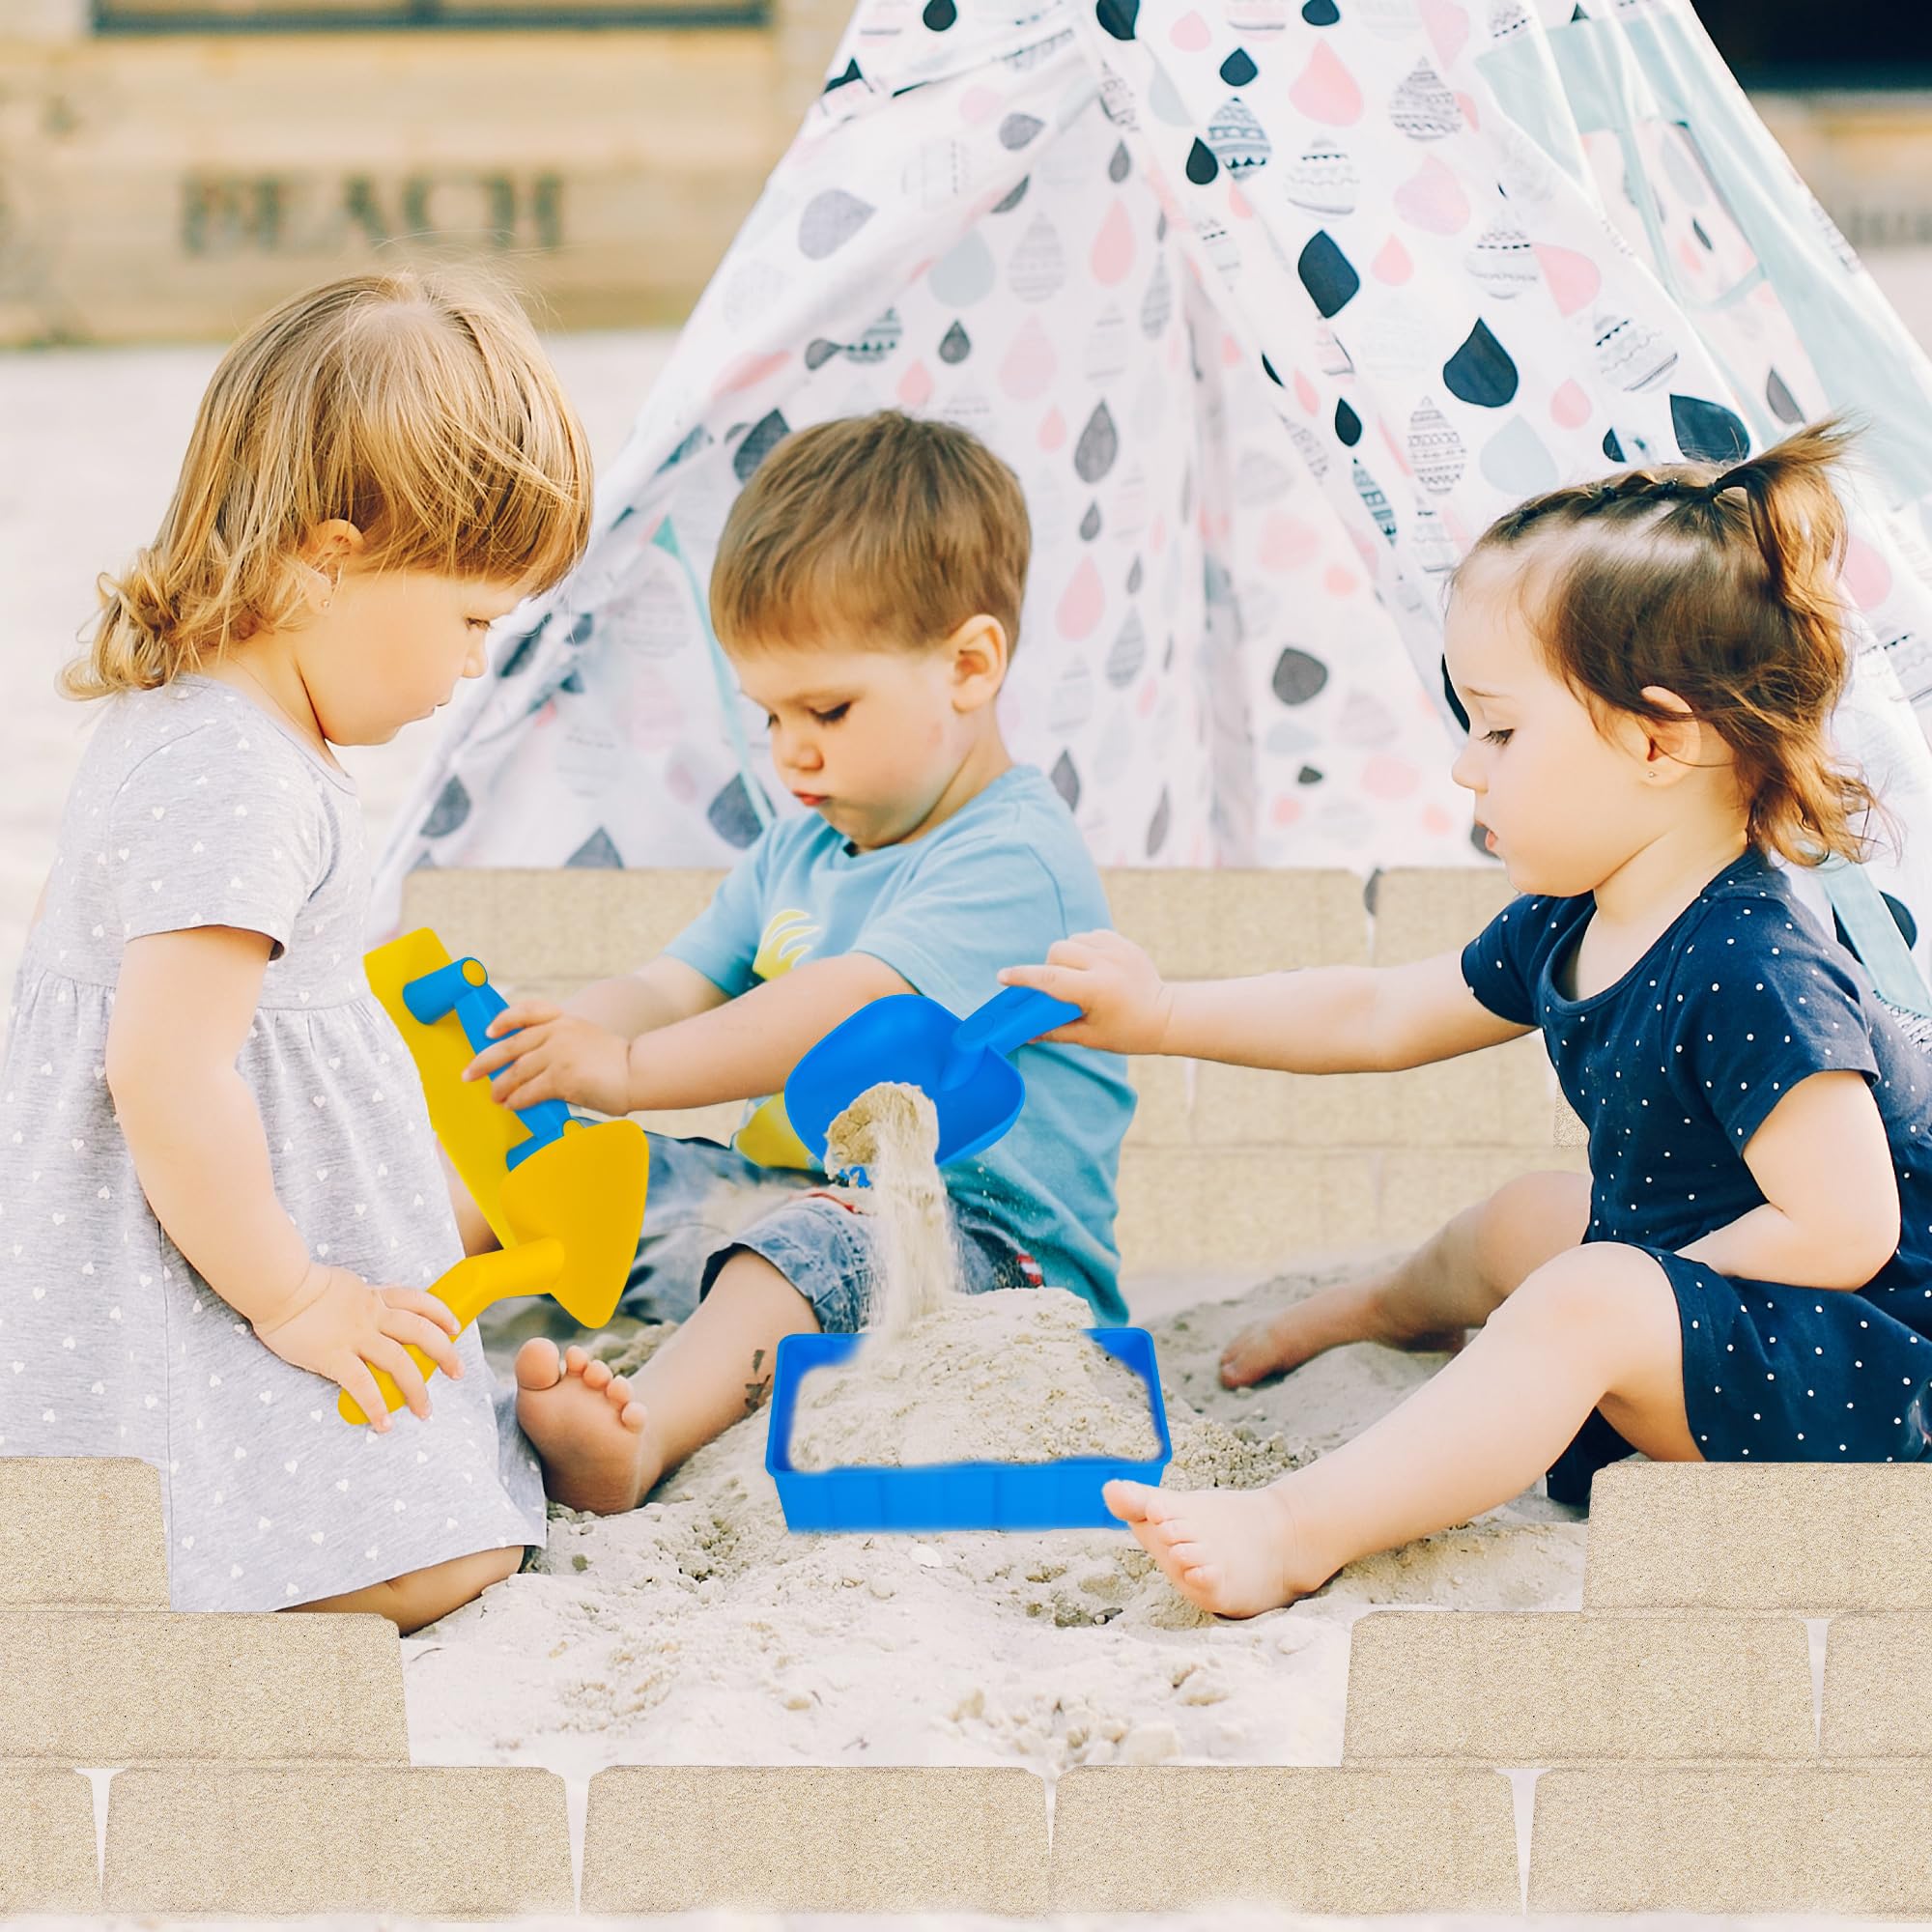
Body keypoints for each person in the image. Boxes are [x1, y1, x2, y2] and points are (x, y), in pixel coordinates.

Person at [1001, 417, 1932, 1618]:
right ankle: (1387, 1310)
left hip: (1864, 1368)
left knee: (1575, 1289)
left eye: (1498, 728)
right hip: (1749, 1302)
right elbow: (1378, 1011)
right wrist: (1162, 1008)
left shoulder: (1754, 964)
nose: (1462, 766)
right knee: (1525, 1222)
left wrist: (1612, 1300)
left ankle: (1292, 1529)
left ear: (1656, 738)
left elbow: (1844, 1227)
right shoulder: (1580, 910)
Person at [0, 268, 595, 1628]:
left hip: (219, 1255)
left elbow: (282, 1053)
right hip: (184, 1286)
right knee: (451, 1556)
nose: (471, 669)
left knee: (459, 1512)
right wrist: (297, 1295)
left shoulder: (235, 734)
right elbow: (164, 1071)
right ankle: (145, 1610)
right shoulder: (235, 778)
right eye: (468, 621)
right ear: (327, 556)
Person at [455, 410, 1135, 1516]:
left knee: (811, 1245)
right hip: (780, 1202)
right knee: (554, 1153)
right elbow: (676, 981)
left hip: (983, 1254)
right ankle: (365, 1283)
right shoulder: (801, 847)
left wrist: (626, 1068)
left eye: (826, 707)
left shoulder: (1013, 856)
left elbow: (839, 1003)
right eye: (766, 711)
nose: (790, 751)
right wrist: (561, 1038)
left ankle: (637, 1437)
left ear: (969, 665)